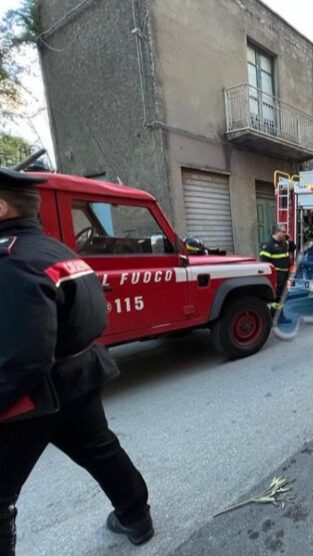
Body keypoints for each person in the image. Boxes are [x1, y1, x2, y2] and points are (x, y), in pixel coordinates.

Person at [0, 168, 152, 554]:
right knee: (101, 450)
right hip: (80, 376)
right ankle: (136, 516)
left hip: (34, 396)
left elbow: (22, 357)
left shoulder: (11, 262)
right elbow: (95, 315)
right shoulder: (57, 250)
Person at [259, 224, 296, 325]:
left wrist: (291, 239)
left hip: (284, 274)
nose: (286, 234)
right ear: (277, 232)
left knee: (281, 296)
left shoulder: (283, 243)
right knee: (278, 297)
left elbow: (293, 248)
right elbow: (264, 263)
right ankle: (273, 316)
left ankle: (277, 316)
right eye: (283, 232)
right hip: (276, 275)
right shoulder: (268, 245)